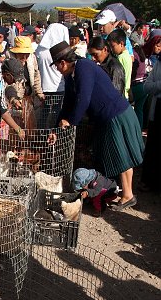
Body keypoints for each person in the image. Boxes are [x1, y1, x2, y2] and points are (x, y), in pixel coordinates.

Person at [51, 40, 144, 210]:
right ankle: (126, 193)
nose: (57, 69)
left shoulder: (83, 67)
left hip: (116, 114)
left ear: (63, 63)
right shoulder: (71, 75)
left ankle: (127, 194)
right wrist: (58, 126)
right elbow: (69, 102)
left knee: (121, 156)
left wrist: (71, 121)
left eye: (56, 66)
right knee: (122, 155)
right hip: (111, 115)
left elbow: (84, 99)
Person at [35, 23, 69, 128]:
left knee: (44, 114)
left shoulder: (40, 50)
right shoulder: (62, 52)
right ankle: (54, 135)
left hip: (44, 87)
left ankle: (42, 135)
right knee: (56, 113)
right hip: (59, 87)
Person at [141, 50, 161, 192]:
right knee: (153, 148)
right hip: (157, 111)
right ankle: (149, 182)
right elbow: (147, 86)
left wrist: (156, 86)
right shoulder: (159, 63)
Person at [108, 28, 132, 99]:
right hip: (126, 92)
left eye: (113, 46)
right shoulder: (127, 55)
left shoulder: (120, 58)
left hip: (121, 93)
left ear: (121, 44)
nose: (111, 49)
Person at [130, 44, 148, 129]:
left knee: (127, 108)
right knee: (139, 109)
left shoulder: (133, 54)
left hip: (136, 85)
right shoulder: (142, 56)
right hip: (144, 85)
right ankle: (139, 130)